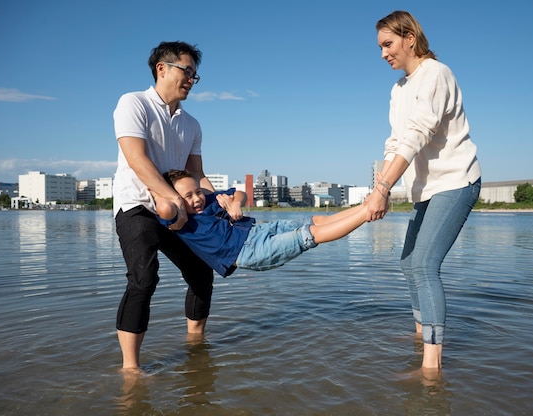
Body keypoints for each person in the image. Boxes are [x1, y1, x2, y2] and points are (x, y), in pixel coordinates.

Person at [365, 11, 482, 370]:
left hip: (456, 181)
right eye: (380, 47)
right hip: (426, 189)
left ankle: (431, 366)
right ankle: (421, 333)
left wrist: (384, 188)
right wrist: (377, 186)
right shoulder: (398, 89)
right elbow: (395, 142)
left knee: (424, 264)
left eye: (388, 44)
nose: (383, 53)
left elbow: (418, 134)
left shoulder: (436, 73)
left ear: (410, 38)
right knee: (407, 263)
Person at [112, 41, 225, 371]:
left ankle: (195, 344)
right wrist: (171, 198)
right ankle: (130, 369)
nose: (191, 79)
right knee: (144, 280)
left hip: (178, 210)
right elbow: (136, 159)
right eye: (186, 71)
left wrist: (221, 203)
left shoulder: (192, 124)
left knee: (202, 273)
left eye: (195, 75)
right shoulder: (133, 103)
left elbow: (197, 174)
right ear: (162, 68)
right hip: (137, 206)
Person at [152, 170, 370, 277]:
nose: (197, 198)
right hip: (250, 252)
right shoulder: (181, 221)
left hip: (258, 230)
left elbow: (239, 193)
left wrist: (236, 205)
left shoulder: (209, 200)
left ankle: (366, 205)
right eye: (188, 196)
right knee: (310, 234)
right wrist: (172, 196)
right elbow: (164, 207)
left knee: (316, 220)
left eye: (197, 191)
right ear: (177, 199)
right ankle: (368, 213)